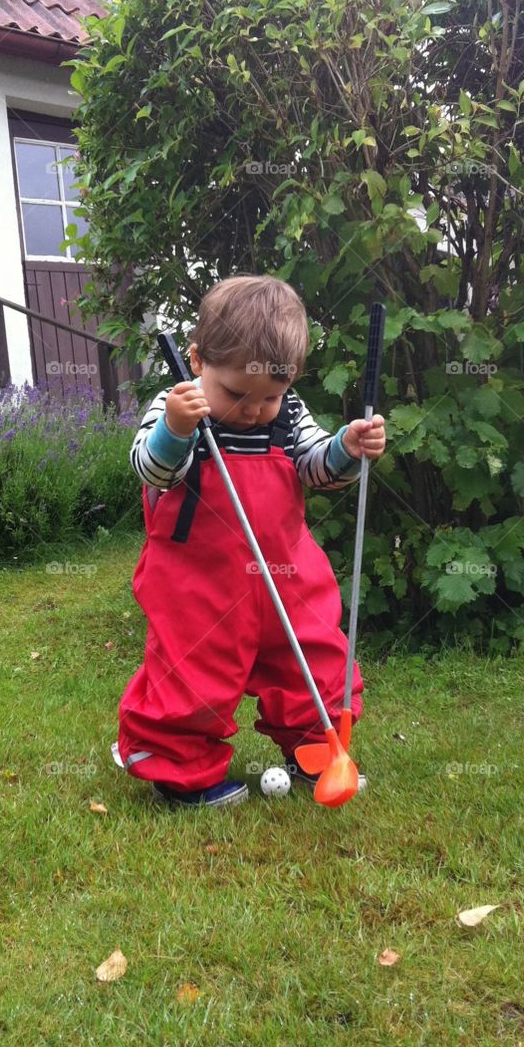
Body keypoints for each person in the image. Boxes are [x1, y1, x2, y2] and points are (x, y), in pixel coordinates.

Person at [114, 275, 386, 808]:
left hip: (286, 575)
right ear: (196, 360)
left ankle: (318, 751)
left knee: (312, 661)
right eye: (237, 393)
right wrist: (175, 428)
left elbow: (314, 467)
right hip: (200, 584)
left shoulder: (285, 414)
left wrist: (347, 448)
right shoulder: (176, 406)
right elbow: (152, 473)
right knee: (194, 673)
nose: (254, 409)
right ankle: (180, 773)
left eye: (270, 396)